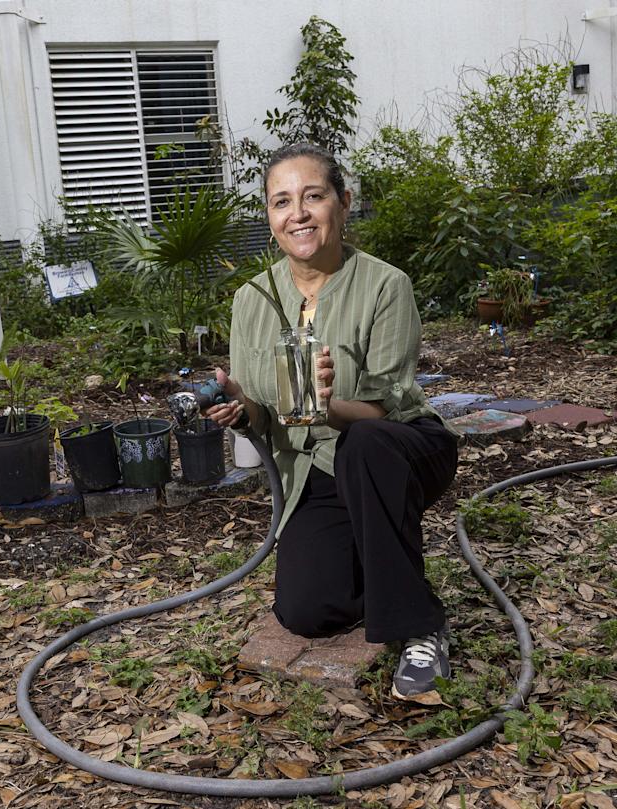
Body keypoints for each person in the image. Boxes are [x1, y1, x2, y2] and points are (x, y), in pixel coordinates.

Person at [204, 142, 459, 698]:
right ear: (269, 216)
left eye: (313, 196)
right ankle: (375, 555)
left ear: (343, 203)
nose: (297, 213)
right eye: (281, 202)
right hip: (315, 464)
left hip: (400, 447)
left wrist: (325, 405)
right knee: (308, 612)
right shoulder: (252, 298)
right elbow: (260, 406)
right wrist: (235, 407)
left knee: (364, 444)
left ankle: (421, 627)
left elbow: (384, 405)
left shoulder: (385, 285)